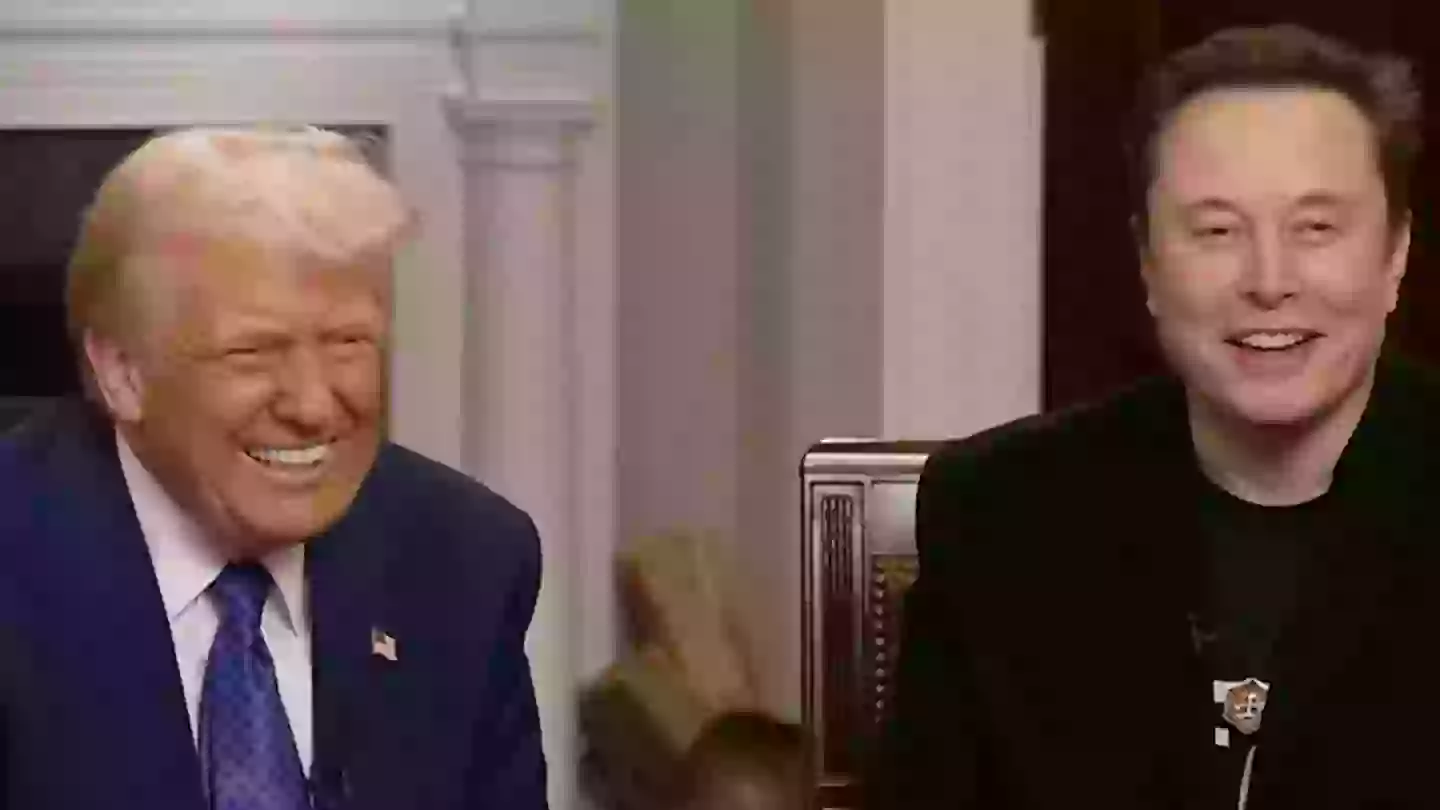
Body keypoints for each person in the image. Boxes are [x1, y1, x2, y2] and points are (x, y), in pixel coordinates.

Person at [874, 25, 1440, 809]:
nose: (1269, 280)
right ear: (1148, 263)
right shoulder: (999, 512)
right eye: (1217, 231)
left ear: (1396, 255)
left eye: (1315, 228)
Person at [0, 126, 547, 809]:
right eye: (253, 352)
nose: (313, 405)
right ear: (123, 372)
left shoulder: (466, 559)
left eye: (348, 342)